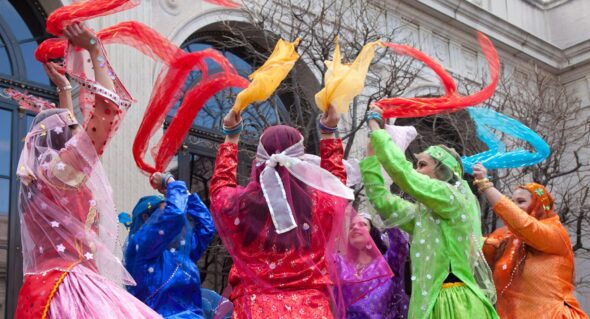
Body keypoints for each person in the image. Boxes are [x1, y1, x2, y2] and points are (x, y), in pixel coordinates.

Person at [15, 23, 160, 318]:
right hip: (73, 290)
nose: (78, 130)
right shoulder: (61, 173)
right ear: (65, 142)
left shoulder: (38, 181)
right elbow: (106, 111)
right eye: (72, 130)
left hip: (40, 292)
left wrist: (66, 90)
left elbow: (63, 132)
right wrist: (95, 49)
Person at [209, 105, 362, 318]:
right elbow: (335, 183)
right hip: (311, 310)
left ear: (260, 158)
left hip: (254, 309)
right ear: (300, 160)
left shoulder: (240, 205)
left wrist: (231, 137)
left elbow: (219, 189)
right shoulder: (322, 204)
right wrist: (328, 133)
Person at [359, 105, 498, 319]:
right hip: (431, 304)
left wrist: (376, 127)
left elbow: (405, 175)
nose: (416, 170)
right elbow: (383, 201)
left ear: (442, 171)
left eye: (422, 164)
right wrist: (370, 157)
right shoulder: (424, 215)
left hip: (454, 304)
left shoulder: (451, 198)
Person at [473, 163, 588, 319]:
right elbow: (474, 245)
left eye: (520, 201)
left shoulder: (555, 233)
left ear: (539, 206)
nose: (514, 207)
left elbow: (525, 225)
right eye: (512, 202)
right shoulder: (504, 237)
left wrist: (485, 185)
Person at [121, 172, 216, 318]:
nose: (169, 217)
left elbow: (207, 227)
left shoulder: (178, 255)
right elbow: (176, 214)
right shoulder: (141, 247)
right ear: (147, 217)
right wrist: (170, 182)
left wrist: (188, 197)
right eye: (164, 210)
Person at [338, 213, 409, 318]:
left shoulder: (387, 262)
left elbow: (400, 244)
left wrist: (383, 209)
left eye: (362, 224)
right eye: (351, 227)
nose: (356, 228)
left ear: (373, 233)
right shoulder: (341, 264)